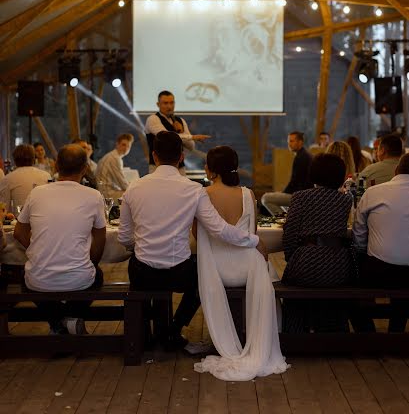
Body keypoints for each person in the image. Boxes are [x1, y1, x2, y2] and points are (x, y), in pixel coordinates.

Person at [118, 132, 263, 351]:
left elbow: (124, 237)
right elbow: (220, 229)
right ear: (181, 156)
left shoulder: (134, 187)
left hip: (143, 273)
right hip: (179, 273)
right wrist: (252, 240)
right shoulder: (193, 189)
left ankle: (148, 334)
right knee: (200, 274)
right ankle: (173, 329)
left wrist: (138, 247)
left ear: (154, 156)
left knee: (140, 267)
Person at [193, 146, 288, 381]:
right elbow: (252, 231)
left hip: (216, 270)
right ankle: (266, 333)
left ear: (211, 170)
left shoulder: (203, 195)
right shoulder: (248, 194)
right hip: (248, 269)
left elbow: (197, 234)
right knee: (273, 273)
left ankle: (233, 339)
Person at [13, 144, 106, 335]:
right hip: (80, 278)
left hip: (38, 278)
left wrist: (37, 250)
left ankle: (56, 323)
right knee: (97, 276)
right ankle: (69, 319)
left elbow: (19, 232)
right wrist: (90, 262)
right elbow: (100, 239)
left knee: (27, 279)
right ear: (85, 168)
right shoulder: (94, 196)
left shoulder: (37, 193)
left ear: (56, 166)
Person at [281, 153, 355, 332]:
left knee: (294, 283)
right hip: (337, 267)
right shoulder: (346, 200)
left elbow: (289, 234)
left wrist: (294, 258)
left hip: (306, 263)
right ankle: (331, 329)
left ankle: (296, 330)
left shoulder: (301, 197)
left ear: (313, 173)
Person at [353, 153, 409, 332]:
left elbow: (358, 234)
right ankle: (396, 330)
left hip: (378, 271)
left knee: (351, 275)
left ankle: (367, 331)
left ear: (395, 171)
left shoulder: (373, 192)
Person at [145, 90, 211, 173]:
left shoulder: (180, 120)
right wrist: (192, 137)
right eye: (165, 103)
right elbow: (166, 137)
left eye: (172, 103)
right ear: (158, 104)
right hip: (157, 167)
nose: (169, 106)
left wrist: (182, 133)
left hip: (179, 167)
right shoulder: (153, 119)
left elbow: (191, 146)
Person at [261, 131, 313, 216]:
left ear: (300, 142)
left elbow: (294, 182)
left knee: (265, 198)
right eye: (288, 141)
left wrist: (283, 193)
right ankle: (288, 218)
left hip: (301, 197)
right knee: (278, 199)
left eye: (292, 141)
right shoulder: (304, 155)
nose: (289, 144)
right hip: (303, 195)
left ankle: (285, 220)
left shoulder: (301, 158)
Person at [0, 144, 51, 212]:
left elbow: (3, 208)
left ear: (15, 160)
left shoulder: (7, 179)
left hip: (18, 220)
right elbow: (51, 201)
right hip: (44, 219)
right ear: (33, 158)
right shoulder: (47, 176)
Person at [96, 133, 134, 198]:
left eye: (128, 146)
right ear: (117, 144)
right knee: (134, 194)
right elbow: (122, 184)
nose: (126, 148)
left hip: (103, 190)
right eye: (123, 145)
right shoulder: (115, 158)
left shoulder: (112, 155)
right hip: (106, 193)